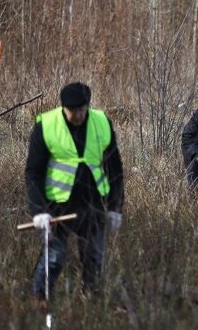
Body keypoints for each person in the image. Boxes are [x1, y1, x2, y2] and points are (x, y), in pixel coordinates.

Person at [25, 82, 124, 298]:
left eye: (82, 109)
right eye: (73, 110)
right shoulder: (47, 125)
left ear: (87, 105)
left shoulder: (102, 123)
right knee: (54, 257)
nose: (78, 115)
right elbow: (34, 171)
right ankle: (39, 301)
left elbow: (114, 168)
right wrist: (38, 210)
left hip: (94, 204)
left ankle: (91, 301)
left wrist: (116, 207)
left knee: (94, 258)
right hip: (57, 206)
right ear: (63, 108)